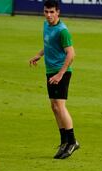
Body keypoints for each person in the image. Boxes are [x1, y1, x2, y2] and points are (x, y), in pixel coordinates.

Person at [29, 0, 79, 159]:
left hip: (60, 72)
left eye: (52, 12)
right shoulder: (46, 25)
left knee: (60, 106)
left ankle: (72, 142)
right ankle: (64, 141)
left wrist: (60, 74)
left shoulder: (62, 31)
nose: (49, 15)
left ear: (58, 12)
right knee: (54, 107)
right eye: (46, 12)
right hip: (50, 71)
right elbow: (49, 44)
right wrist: (39, 54)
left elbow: (71, 54)